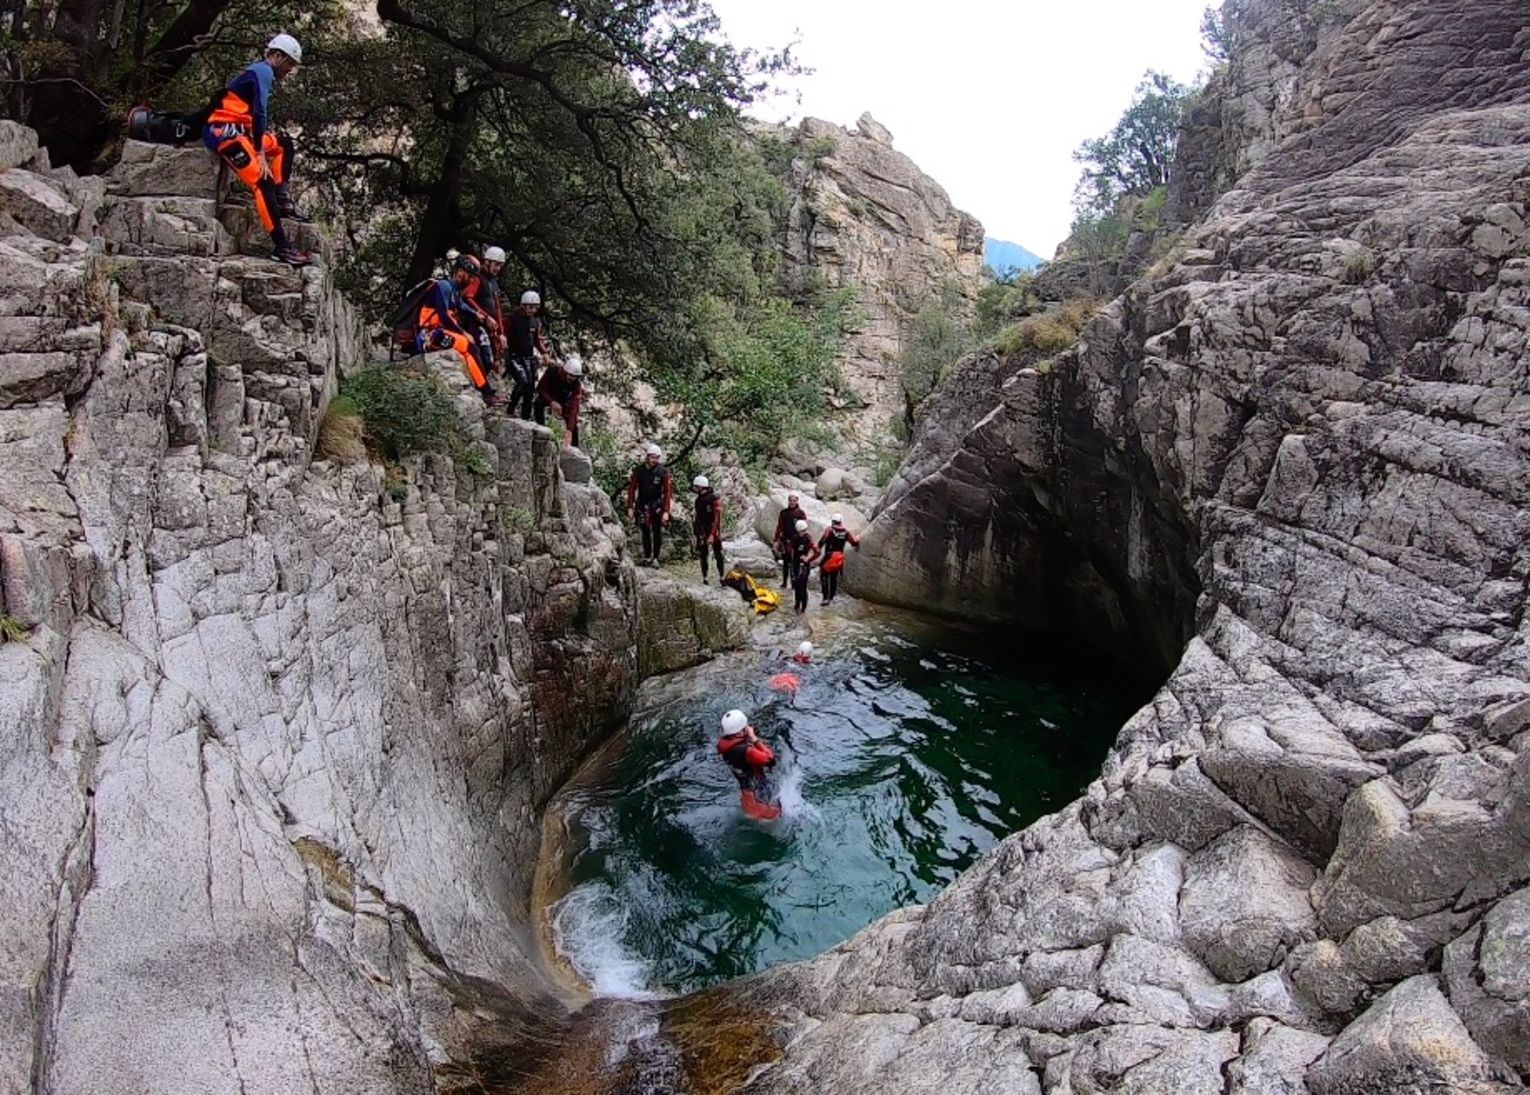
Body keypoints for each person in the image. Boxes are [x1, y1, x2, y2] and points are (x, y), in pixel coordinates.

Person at [202, 34, 313, 267]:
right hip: (225, 133)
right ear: (278, 56)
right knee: (262, 181)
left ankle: (281, 202)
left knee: (284, 144)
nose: (290, 70)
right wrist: (260, 153)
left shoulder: (260, 71)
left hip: (242, 131)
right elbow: (260, 111)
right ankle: (282, 247)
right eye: (290, 63)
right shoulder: (263, 71)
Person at [416, 254, 503, 405]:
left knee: (470, 350)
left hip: (439, 332)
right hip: (429, 335)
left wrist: (476, 313)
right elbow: (444, 316)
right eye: (470, 276)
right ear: (460, 272)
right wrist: (463, 333)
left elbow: (461, 304)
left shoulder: (454, 290)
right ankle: (487, 393)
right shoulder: (443, 286)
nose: (471, 280)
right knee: (470, 347)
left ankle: (485, 390)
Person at [716, 709, 780, 820]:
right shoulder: (747, 752)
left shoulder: (725, 748)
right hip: (761, 801)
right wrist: (755, 739)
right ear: (740, 731)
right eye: (746, 726)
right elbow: (771, 759)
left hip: (747, 799)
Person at [460, 247, 505, 376]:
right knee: (485, 356)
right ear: (487, 262)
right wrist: (485, 317)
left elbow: (497, 307)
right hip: (475, 323)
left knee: (491, 360)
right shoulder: (478, 277)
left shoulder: (493, 282)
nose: (498, 268)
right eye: (496, 264)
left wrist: (501, 333)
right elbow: (467, 297)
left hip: (488, 326)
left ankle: (483, 383)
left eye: (500, 265)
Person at [625, 444, 672, 567]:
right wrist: (630, 506)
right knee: (645, 530)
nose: (654, 460)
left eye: (656, 458)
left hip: (657, 505)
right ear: (647, 457)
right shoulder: (639, 471)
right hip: (642, 504)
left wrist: (666, 511)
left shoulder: (663, 471)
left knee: (657, 531)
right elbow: (632, 489)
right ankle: (647, 556)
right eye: (652, 457)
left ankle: (655, 557)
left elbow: (667, 492)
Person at [506, 289, 548, 421]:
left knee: (530, 389)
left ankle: (525, 417)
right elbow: (503, 335)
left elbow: (536, 341)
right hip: (514, 356)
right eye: (530, 307)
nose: (532, 310)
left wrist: (544, 353)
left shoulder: (535, 321)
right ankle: (510, 409)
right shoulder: (512, 319)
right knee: (522, 382)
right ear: (523, 305)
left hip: (529, 358)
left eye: (535, 308)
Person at [537, 354, 584, 448]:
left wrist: (569, 430)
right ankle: (540, 430)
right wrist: (551, 402)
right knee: (538, 403)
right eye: (570, 375)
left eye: (575, 377)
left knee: (573, 424)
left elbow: (574, 406)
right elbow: (540, 389)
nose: (572, 379)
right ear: (565, 371)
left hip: (563, 399)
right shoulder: (553, 371)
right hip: (548, 395)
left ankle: (573, 447)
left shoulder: (576, 384)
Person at [817, 514, 861, 605]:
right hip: (839, 557)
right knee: (834, 577)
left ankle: (825, 598)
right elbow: (854, 543)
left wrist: (817, 550)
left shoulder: (829, 530)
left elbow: (821, 542)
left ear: (833, 521)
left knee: (824, 576)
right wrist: (858, 538)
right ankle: (832, 597)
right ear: (841, 521)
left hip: (829, 556)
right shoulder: (846, 532)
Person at [692, 474, 725, 585]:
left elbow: (716, 518)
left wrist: (712, 534)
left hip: (712, 528)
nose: (694, 489)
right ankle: (705, 577)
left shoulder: (713, 499)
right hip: (702, 529)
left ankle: (722, 576)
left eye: (696, 487)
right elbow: (697, 518)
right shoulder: (698, 500)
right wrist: (696, 533)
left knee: (718, 553)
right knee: (703, 554)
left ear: (701, 487)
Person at [772, 493, 809, 589]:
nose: (792, 502)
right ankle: (784, 582)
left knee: (795, 563)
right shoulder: (783, 513)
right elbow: (779, 527)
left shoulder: (801, 513)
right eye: (791, 500)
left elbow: (804, 528)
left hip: (797, 542)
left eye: (794, 501)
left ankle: (794, 583)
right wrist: (776, 541)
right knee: (785, 562)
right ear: (788, 501)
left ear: (797, 501)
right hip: (786, 541)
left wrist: (804, 542)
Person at [787, 518, 820, 615]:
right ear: (798, 531)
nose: (804, 532)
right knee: (797, 586)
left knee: (803, 587)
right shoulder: (794, 539)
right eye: (802, 531)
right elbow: (789, 550)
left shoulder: (808, 538)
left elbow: (817, 552)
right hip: (796, 565)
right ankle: (797, 605)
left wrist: (808, 558)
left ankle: (803, 608)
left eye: (805, 530)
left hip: (804, 566)